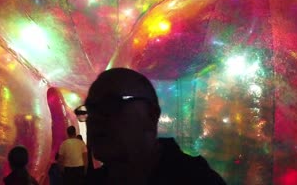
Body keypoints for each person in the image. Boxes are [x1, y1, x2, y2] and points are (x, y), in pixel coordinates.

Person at [84, 68, 226, 184]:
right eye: (90, 109)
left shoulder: (197, 179)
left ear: (151, 115)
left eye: (110, 104)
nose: (94, 118)